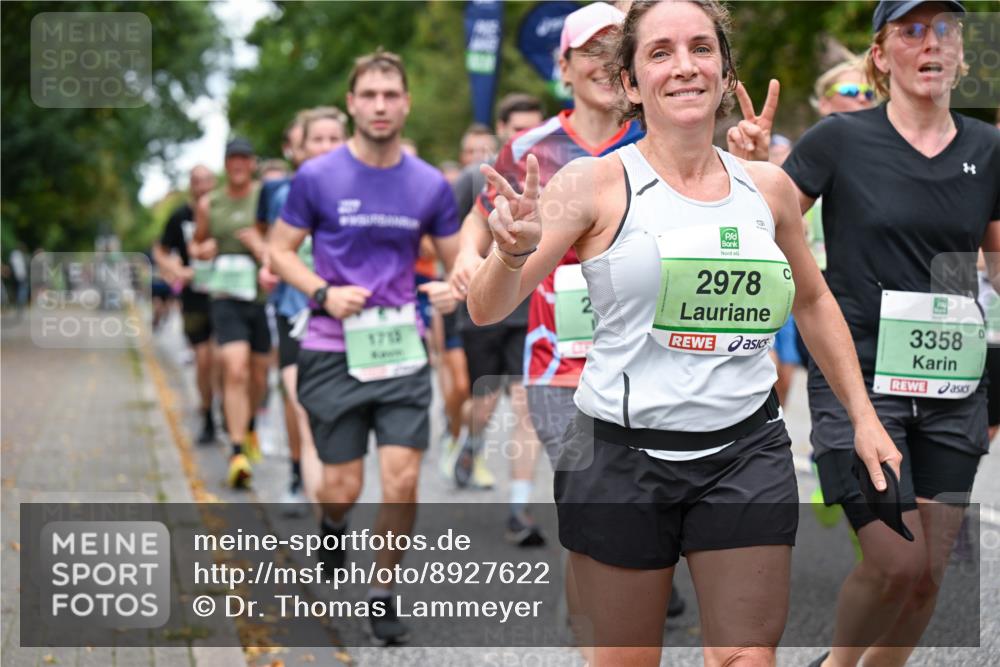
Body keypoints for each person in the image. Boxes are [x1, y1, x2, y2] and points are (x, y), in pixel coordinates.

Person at [467, 1, 900, 664]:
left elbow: (813, 299)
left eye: (702, 48)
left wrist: (863, 416)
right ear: (632, 84)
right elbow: (486, 308)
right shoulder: (590, 184)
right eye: (660, 52)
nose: (685, 66)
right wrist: (513, 252)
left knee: (746, 656)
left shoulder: (770, 189)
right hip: (620, 458)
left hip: (745, 452)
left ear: (726, 73)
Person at [778, 2, 1000, 665]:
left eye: (945, 32)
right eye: (912, 31)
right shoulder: (838, 141)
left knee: (930, 569)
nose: (931, 44)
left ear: (961, 55)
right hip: (859, 378)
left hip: (953, 379)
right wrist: (757, 167)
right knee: (895, 560)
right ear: (881, 55)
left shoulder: (989, 151)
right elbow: (768, 229)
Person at [269, 49, 459, 646]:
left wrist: (456, 288)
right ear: (352, 102)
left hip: (401, 348)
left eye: (391, 95)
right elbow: (278, 252)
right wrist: (322, 292)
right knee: (342, 487)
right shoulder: (317, 177)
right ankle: (331, 522)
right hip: (332, 347)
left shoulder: (430, 183)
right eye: (369, 95)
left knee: (402, 481)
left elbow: (462, 264)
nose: (380, 105)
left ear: (406, 103)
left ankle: (382, 591)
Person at [439, 93, 547, 492]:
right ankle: (469, 441)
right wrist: (462, 265)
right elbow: (451, 238)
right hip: (480, 309)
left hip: (529, 310)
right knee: (483, 404)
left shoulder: (552, 177)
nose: (528, 135)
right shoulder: (474, 177)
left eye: (535, 127)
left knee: (524, 405)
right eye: (519, 128)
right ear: (502, 129)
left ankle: (520, 508)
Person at [261, 107, 349, 511]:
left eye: (335, 140)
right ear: (299, 149)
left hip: (351, 318)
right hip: (297, 311)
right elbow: (275, 248)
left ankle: (330, 492)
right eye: (317, 140)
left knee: (337, 418)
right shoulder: (283, 193)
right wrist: (268, 267)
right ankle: (306, 485)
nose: (326, 148)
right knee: (301, 408)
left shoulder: (359, 185)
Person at [192, 138, 269, 489]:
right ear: (225, 165)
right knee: (234, 369)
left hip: (259, 297)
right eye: (232, 159)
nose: (238, 165)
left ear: (252, 163)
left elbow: (281, 245)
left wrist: (259, 246)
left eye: (244, 158)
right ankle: (237, 452)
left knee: (258, 377)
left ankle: (249, 425)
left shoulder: (265, 197)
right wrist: (203, 249)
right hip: (225, 296)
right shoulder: (210, 203)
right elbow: (196, 242)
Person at [155, 165, 219, 444]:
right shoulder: (179, 216)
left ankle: (234, 414)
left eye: (207, 180)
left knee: (227, 360)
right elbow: (160, 249)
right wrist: (174, 267)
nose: (202, 185)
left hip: (226, 294)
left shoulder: (225, 212)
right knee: (203, 359)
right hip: (194, 297)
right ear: (190, 185)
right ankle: (208, 415)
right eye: (197, 181)